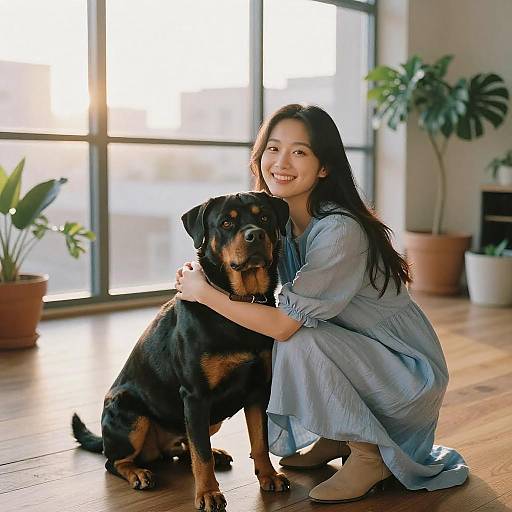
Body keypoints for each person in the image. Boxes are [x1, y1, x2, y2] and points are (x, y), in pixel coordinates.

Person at [174, 104, 469, 503]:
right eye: (273, 149)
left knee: (293, 337)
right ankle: (338, 436)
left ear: (325, 167)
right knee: (295, 334)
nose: (281, 162)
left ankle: (370, 456)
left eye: (299, 152)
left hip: (404, 374)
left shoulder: (339, 230)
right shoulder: (280, 223)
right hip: (361, 357)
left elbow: (283, 325)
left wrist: (204, 294)